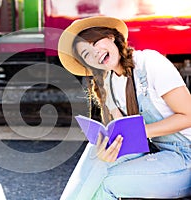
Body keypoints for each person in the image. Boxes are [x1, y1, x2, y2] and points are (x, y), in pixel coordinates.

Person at [58, 16, 191, 199]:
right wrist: (108, 149)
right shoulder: (109, 82)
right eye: (87, 54)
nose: (95, 53)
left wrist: (140, 131)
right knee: (95, 155)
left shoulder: (150, 63)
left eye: (95, 42)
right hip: (157, 152)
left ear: (111, 36)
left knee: (108, 182)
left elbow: (188, 115)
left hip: (185, 157)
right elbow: (124, 136)